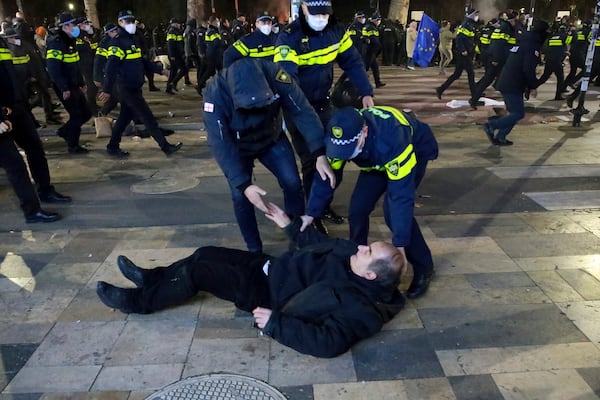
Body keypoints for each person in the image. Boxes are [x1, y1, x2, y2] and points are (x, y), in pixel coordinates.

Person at [96, 202, 405, 358]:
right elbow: (313, 244)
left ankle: (138, 302)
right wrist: (289, 225)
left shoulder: (361, 308)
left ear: (370, 275)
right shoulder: (352, 253)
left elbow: (328, 343)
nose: (361, 246)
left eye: (368, 252)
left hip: (267, 294)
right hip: (271, 267)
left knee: (199, 272)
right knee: (205, 252)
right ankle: (152, 279)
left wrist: (275, 323)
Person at [302, 106, 439, 299]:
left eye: (347, 150)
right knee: (357, 209)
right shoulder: (340, 138)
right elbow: (328, 177)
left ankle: (424, 267)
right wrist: (311, 212)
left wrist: (400, 244)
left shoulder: (392, 139)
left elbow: (401, 197)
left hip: (411, 150)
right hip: (373, 159)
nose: (342, 154)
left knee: (393, 214)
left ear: (364, 133)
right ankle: (357, 261)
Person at [202, 58, 334, 253]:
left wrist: (319, 152)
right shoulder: (215, 93)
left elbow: (302, 110)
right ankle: (254, 250)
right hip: (238, 147)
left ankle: (297, 237)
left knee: (292, 183)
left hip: (271, 138)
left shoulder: (276, 75)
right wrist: (243, 184)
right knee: (240, 197)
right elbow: (220, 143)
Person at [274, 0, 375, 233]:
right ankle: (312, 214)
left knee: (333, 155)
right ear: (303, 10)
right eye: (316, 14)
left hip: (323, 103)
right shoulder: (289, 38)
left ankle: (323, 201)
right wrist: (312, 134)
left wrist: (366, 93)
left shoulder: (336, 32)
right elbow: (289, 85)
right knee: (313, 160)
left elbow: (352, 62)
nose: (322, 19)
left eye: (325, 15)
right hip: (297, 107)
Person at [98, 10, 182, 157]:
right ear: (120, 23)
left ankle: (112, 146)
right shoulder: (117, 43)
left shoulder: (132, 40)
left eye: (132, 21)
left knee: (124, 119)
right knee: (147, 117)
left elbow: (142, 62)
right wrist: (107, 89)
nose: (131, 24)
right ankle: (165, 146)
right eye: (127, 21)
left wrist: (160, 70)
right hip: (126, 87)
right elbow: (111, 67)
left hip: (134, 86)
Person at [0, 38, 65, 223]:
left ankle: (45, 190)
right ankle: (31, 211)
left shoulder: (4, 43)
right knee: (15, 166)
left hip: (16, 107)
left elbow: (10, 74)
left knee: (35, 148)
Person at [482, 19, 549, 146]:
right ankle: (491, 125)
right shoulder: (532, 46)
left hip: (508, 80)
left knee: (513, 113)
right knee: (518, 114)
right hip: (513, 84)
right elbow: (528, 69)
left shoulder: (524, 41)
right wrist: (533, 86)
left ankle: (501, 136)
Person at [46, 12, 92, 154]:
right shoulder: (56, 43)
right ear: (65, 26)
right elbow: (54, 69)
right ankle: (73, 145)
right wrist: (64, 88)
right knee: (77, 115)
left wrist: (81, 83)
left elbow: (75, 65)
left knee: (86, 114)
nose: (77, 28)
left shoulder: (70, 41)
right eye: (74, 25)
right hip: (64, 86)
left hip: (74, 85)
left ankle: (65, 131)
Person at [469, 12, 516, 109]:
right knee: (492, 78)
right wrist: (496, 58)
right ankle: (474, 99)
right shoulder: (505, 28)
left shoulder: (502, 27)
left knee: (492, 78)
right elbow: (499, 44)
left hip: (494, 57)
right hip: (497, 58)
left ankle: (474, 98)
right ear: (512, 21)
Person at [435, 9, 479, 100]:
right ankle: (475, 96)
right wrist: (463, 50)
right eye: (475, 14)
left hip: (466, 53)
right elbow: (459, 38)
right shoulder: (466, 24)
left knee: (457, 74)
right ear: (471, 15)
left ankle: (441, 89)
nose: (476, 16)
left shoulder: (469, 24)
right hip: (464, 54)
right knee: (471, 74)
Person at [537, 25, 568, 100]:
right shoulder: (564, 37)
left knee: (544, 77)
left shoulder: (552, 37)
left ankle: (530, 87)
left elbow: (547, 48)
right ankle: (558, 95)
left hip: (549, 59)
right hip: (557, 60)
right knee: (560, 78)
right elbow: (567, 46)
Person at [196, 15, 223, 93]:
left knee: (216, 71)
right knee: (210, 71)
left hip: (215, 54)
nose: (218, 23)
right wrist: (222, 42)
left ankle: (218, 87)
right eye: (217, 21)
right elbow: (216, 42)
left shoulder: (213, 30)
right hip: (213, 55)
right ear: (213, 22)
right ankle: (200, 85)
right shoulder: (211, 31)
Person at [165, 18, 188, 94]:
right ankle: (173, 83)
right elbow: (170, 45)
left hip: (177, 55)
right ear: (174, 24)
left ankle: (169, 88)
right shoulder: (172, 32)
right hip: (175, 55)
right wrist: (172, 55)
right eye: (178, 24)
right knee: (183, 69)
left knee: (173, 71)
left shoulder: (176, 32)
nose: (179, 25)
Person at [363, 12, 385, 87]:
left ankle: (377, 82)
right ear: (374, 20)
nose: (379, 21)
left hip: (370, 51)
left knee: (375, 67)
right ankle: (360, 83)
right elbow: (374, 41)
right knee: (365, 68)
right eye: (378, 20)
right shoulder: (371, 28)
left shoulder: (370, 27)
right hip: (370, 51)